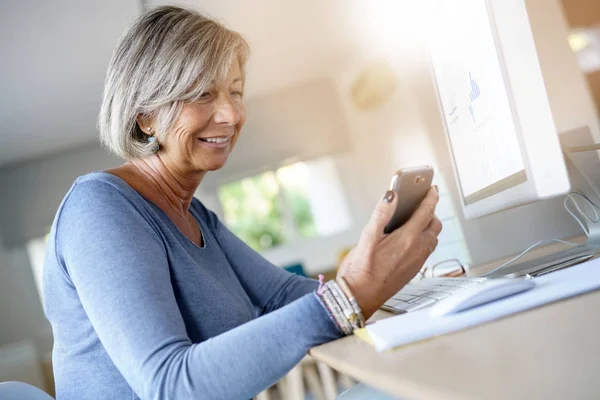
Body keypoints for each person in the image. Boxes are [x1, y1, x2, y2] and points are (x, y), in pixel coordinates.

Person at [42, 6, 441, 400]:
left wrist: (396, 284)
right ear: (146, 116)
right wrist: (350, 294)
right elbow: (169, 386)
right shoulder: (100, 208)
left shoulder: (195, 215)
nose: (231, 114)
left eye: (235, 91)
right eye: (201, 94)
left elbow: (282, 295)